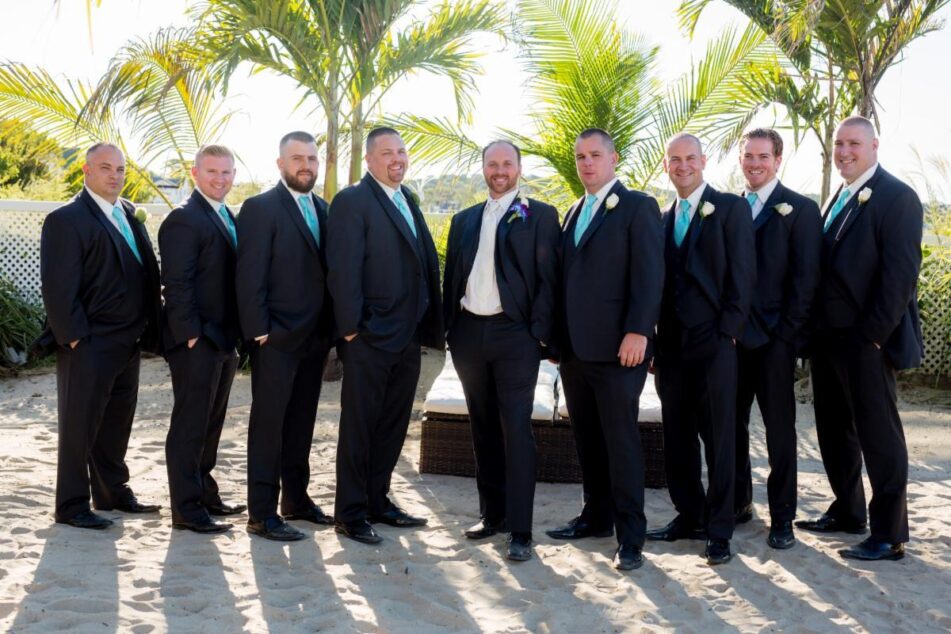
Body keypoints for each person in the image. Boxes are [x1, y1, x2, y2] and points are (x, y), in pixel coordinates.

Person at [796, 116, 923, 562]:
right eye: (839, 144)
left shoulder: (898, 197)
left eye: (853, 143)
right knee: (834, 432)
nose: (844, 151)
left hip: (866, 341)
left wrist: (873, 337)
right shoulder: (838, 195)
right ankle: (849, 511)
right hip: (827, 339)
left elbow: (901, 276)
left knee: (879, 436)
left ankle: (889, 534)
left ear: (874, 146)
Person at [545, 128, 665, 571]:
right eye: (580, 156)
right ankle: (595, 517)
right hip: (576, 352)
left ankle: (630, 536)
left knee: (621, 442)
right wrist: (558, 342)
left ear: (614, 159)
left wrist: (639, 331)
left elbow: (650, 276)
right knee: (588, 441)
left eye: (595, 155)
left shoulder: (638, 206)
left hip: (621, 350)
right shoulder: (574, 210)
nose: (587, 163)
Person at [442, 140, 560, 562]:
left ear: (519, 167)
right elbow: (451, 276)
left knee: (516, 428)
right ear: (483, 168)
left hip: (516, 336)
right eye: (492, 164)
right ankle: (491, 515)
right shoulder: (463, 219)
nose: (499, 170)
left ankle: (521, 530)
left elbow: (550, 281)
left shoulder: (540, 215)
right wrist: (449, 329)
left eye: (507, 163)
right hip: (469, 334)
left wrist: (538, 335)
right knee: (482, 426)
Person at [327, 126, 444, 545]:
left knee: (393, 425)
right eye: (387, 152)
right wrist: (353, 329)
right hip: (370, 337)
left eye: (401, 150)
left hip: (406, 336)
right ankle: (350, 512)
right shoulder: (352, 201)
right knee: (360, 427)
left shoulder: (406, 198)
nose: (397, 158)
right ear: (370, 160)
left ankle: (378, 500)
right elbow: (342, 271)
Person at [38, 142, 163, 529]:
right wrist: (76, 340)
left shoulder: (129, 214)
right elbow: (58, 288)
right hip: (88, 343)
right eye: (106, 167)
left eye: (121, 169)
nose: (114, 175)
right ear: (86, 171)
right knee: (79, 425)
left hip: (129, 341)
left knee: (116, 422)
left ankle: (111, 492)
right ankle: (72, 504)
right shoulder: (66, 219)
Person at [648, 133, 755, 565]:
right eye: (674, 159)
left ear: (704, 161)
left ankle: (720, 528)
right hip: (671, 349)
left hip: (715, 345)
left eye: (690, 158)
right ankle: (688, 515)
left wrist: (728, 333)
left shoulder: (730, 208)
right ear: (666, 166)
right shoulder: (661, 215)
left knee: (721, 438)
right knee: (677, 438)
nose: (683, 166)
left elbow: (743, 277)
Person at [236, 131, 335, 541]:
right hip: (275, 339)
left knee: (301, 422)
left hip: (314, 340)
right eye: (297, 158)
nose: (305, 165)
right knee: (268, 425)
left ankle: (295, 499)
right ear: (280, 164)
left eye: (311, 158)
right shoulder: (260, 208)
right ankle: (261, 513)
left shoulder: (326, 210)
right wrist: (259, 331)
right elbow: (249, 274)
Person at [733, 129, 821, 549]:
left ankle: (782, 517)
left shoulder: (800, 209)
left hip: (774, 343)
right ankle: (738, 504)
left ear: (778, 159)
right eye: (748, 155)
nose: (754, 163)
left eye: (762, 156)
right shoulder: (729, 207)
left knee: (779, 431)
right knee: (729, 427)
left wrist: (785, 336)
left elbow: (806, 282)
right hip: (732, 343)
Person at [160, 144, 247, 534]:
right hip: (198, 342)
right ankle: (186, 508)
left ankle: (205, 492)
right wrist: (192, 336)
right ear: (195, 174)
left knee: (211, 423)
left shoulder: (227, 215)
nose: (220, 179)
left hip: (224, 340)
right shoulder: (184, 219)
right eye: (212, 172)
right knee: (190, 425)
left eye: (227, 172)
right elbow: (175, 285)